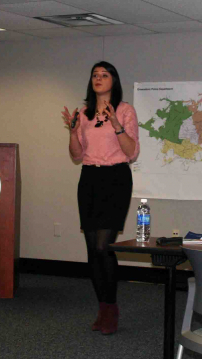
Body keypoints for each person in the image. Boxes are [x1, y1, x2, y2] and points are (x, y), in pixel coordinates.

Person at [61, 61, 139, 335]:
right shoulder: (83, 113)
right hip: (89, 179)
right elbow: (76, 155)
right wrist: (72, 133)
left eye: (104, 75)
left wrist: (117, 124)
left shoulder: (125, 110)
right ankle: (103, 307)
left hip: (116, 179)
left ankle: (111, 307)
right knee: (91, 249)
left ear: (114, 81)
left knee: (104, 247)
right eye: (95, 75)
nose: (98, 78)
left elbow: (132, 152)